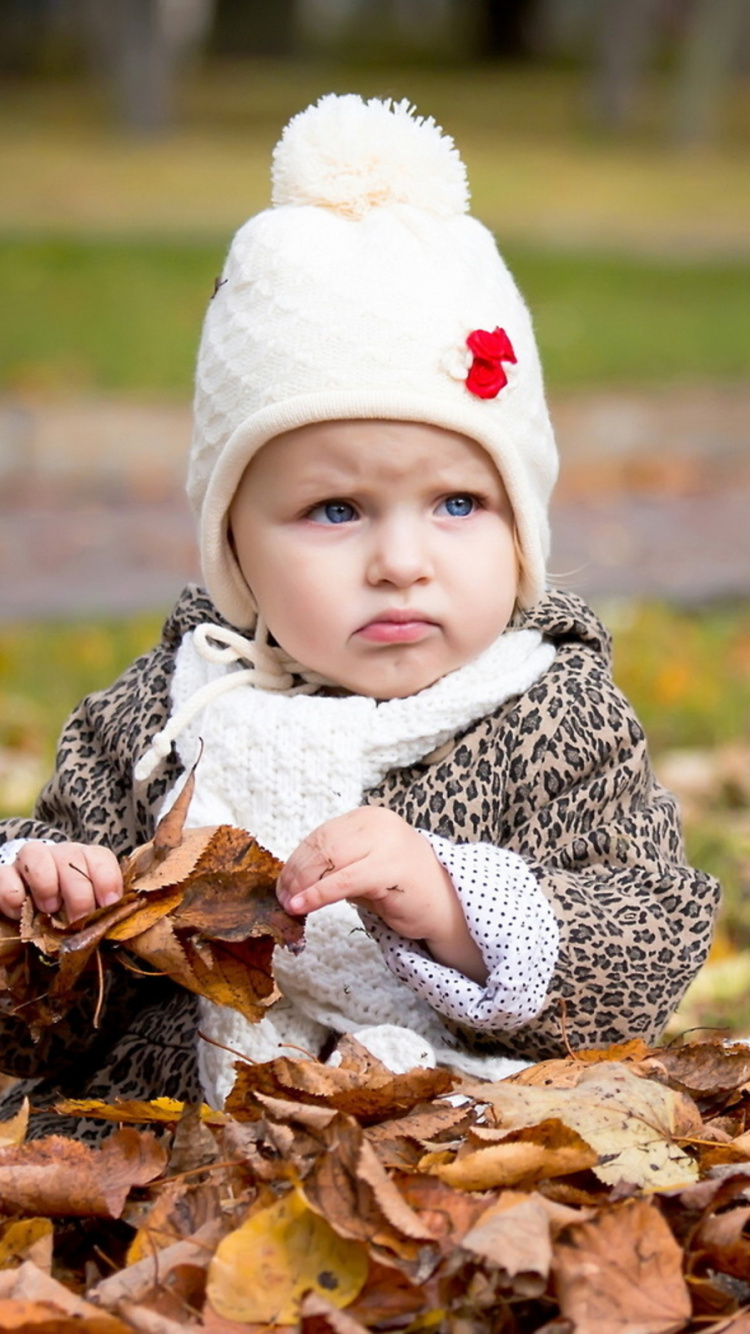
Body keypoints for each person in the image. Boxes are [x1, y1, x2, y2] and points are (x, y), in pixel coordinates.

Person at [0, 94, 720, 1138]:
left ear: (522, 528)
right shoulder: (167, 715)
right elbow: (39, 1031)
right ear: (234, 545)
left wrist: (461, 905)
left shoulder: (552, 714)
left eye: (458, 504)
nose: (401, 562)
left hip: (454, 1138)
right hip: (177, 1145)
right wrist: (45, 907)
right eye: (335, 510)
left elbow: (646, 941)